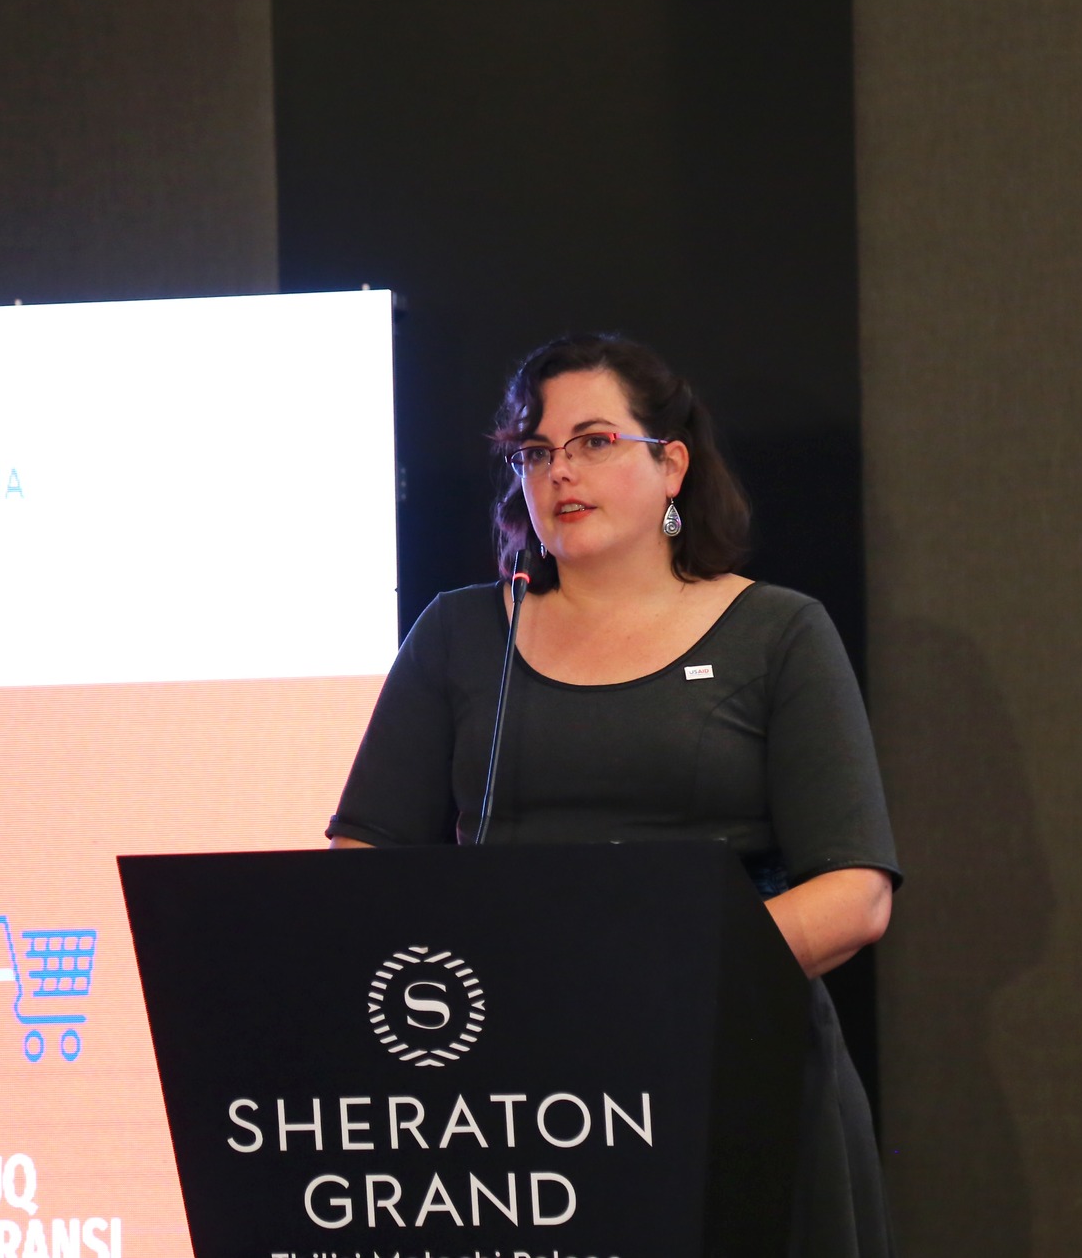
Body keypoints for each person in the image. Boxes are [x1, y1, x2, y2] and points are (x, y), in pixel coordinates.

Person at [326, 332, 899, 1257]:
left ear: (671, 464)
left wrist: (651, 982)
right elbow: (361, 863)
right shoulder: (460, 635)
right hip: (511, 1092)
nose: (559, 470)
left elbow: (855, 894)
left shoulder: (777, 632)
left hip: (729, 1071)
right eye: (535, 450)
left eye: (593, 441)